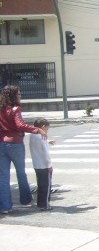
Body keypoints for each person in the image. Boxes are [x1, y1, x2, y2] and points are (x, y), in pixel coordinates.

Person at [0, 85, 47, 214]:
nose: (20, 96)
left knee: (3, 177)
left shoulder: (1, 109)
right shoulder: (16, 109)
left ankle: (4, 206)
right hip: (15, 144)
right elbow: (20, 125)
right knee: (21, 173)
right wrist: (37, 129)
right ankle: (25, 199)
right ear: (13, 96)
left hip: (1, 144)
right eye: (19, 94)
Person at [29, 118, 54, 211]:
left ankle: (40, 204)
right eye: (47, 129)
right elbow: (45, 153)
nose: (47, 131)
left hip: (37, 165)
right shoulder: (42, 137)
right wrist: (49, 166)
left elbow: (39, 144)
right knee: (46, 186)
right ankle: (45, 204)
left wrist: (48, 141)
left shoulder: (32, 136)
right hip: (44, 166)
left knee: (40, 185)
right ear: (43, 127)